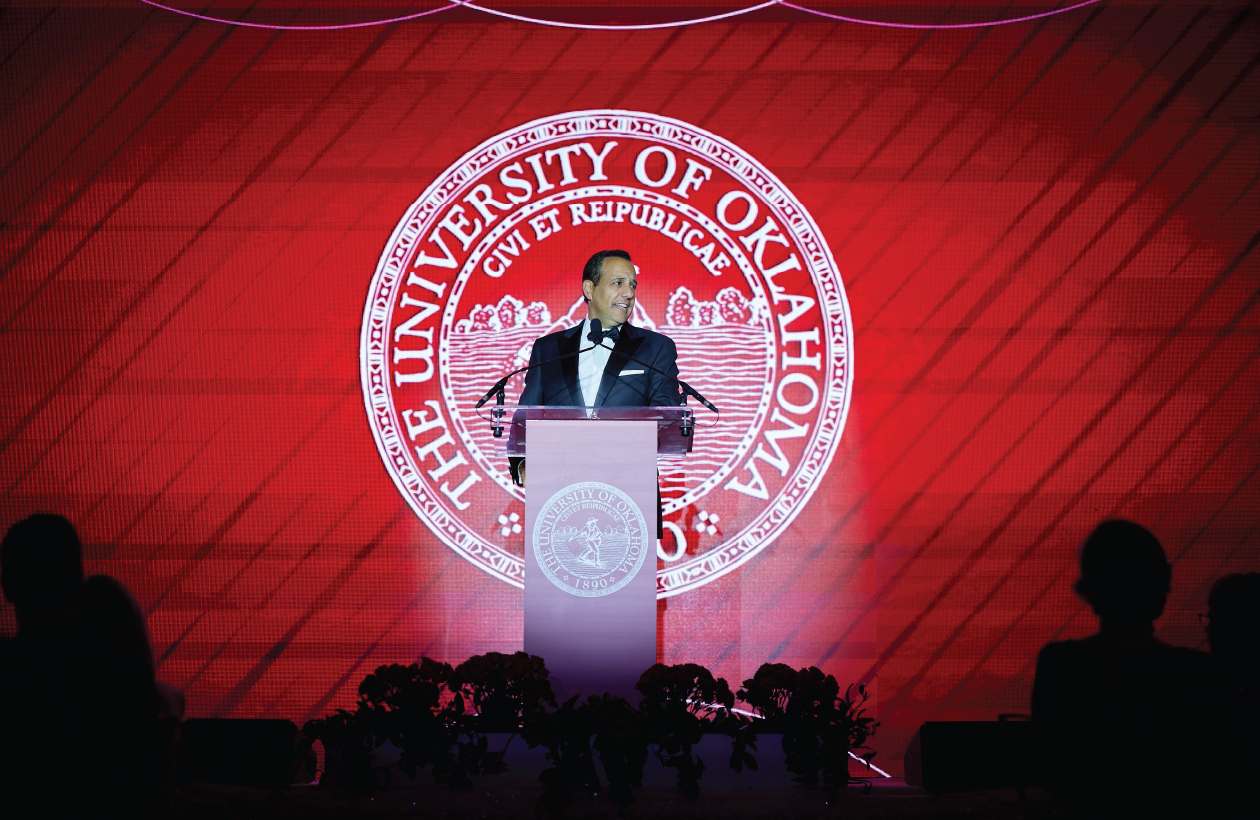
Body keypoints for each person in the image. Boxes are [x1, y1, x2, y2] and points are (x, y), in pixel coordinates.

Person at [1031, 519, 1211, 820]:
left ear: (1091, 589)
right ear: (1159, 586)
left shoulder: (1060, 664)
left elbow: (1049, 765)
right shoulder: (1195, 673)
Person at [509, 250, 682, 499]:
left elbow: (666, 414)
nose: (629, 293)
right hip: (558, 494)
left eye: (633, 285)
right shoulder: (548, 349)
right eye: (618, 283)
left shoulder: (655, 348)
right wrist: (522, 464)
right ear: (589, 289)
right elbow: (526, 417)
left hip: (630, 493)